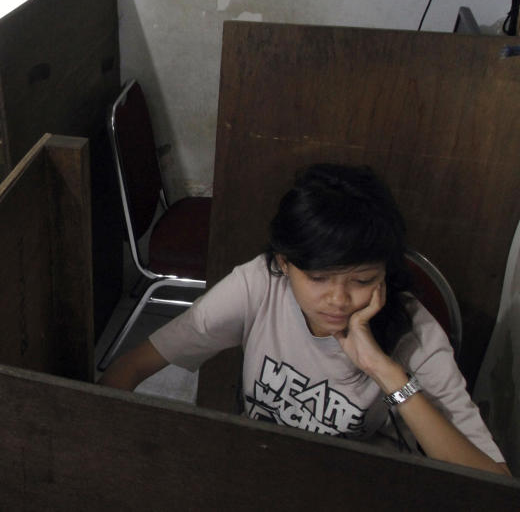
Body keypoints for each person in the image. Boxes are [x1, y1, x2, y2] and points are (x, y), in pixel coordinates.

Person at [99, 163, 509, 476]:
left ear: (385, 271)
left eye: (362, 280)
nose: (338, 299)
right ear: (284, 264)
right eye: (317, 278)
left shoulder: (413, 333)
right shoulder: (260, 283)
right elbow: (132, 366)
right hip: (264, 471)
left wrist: (385, 373)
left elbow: (493, 481)